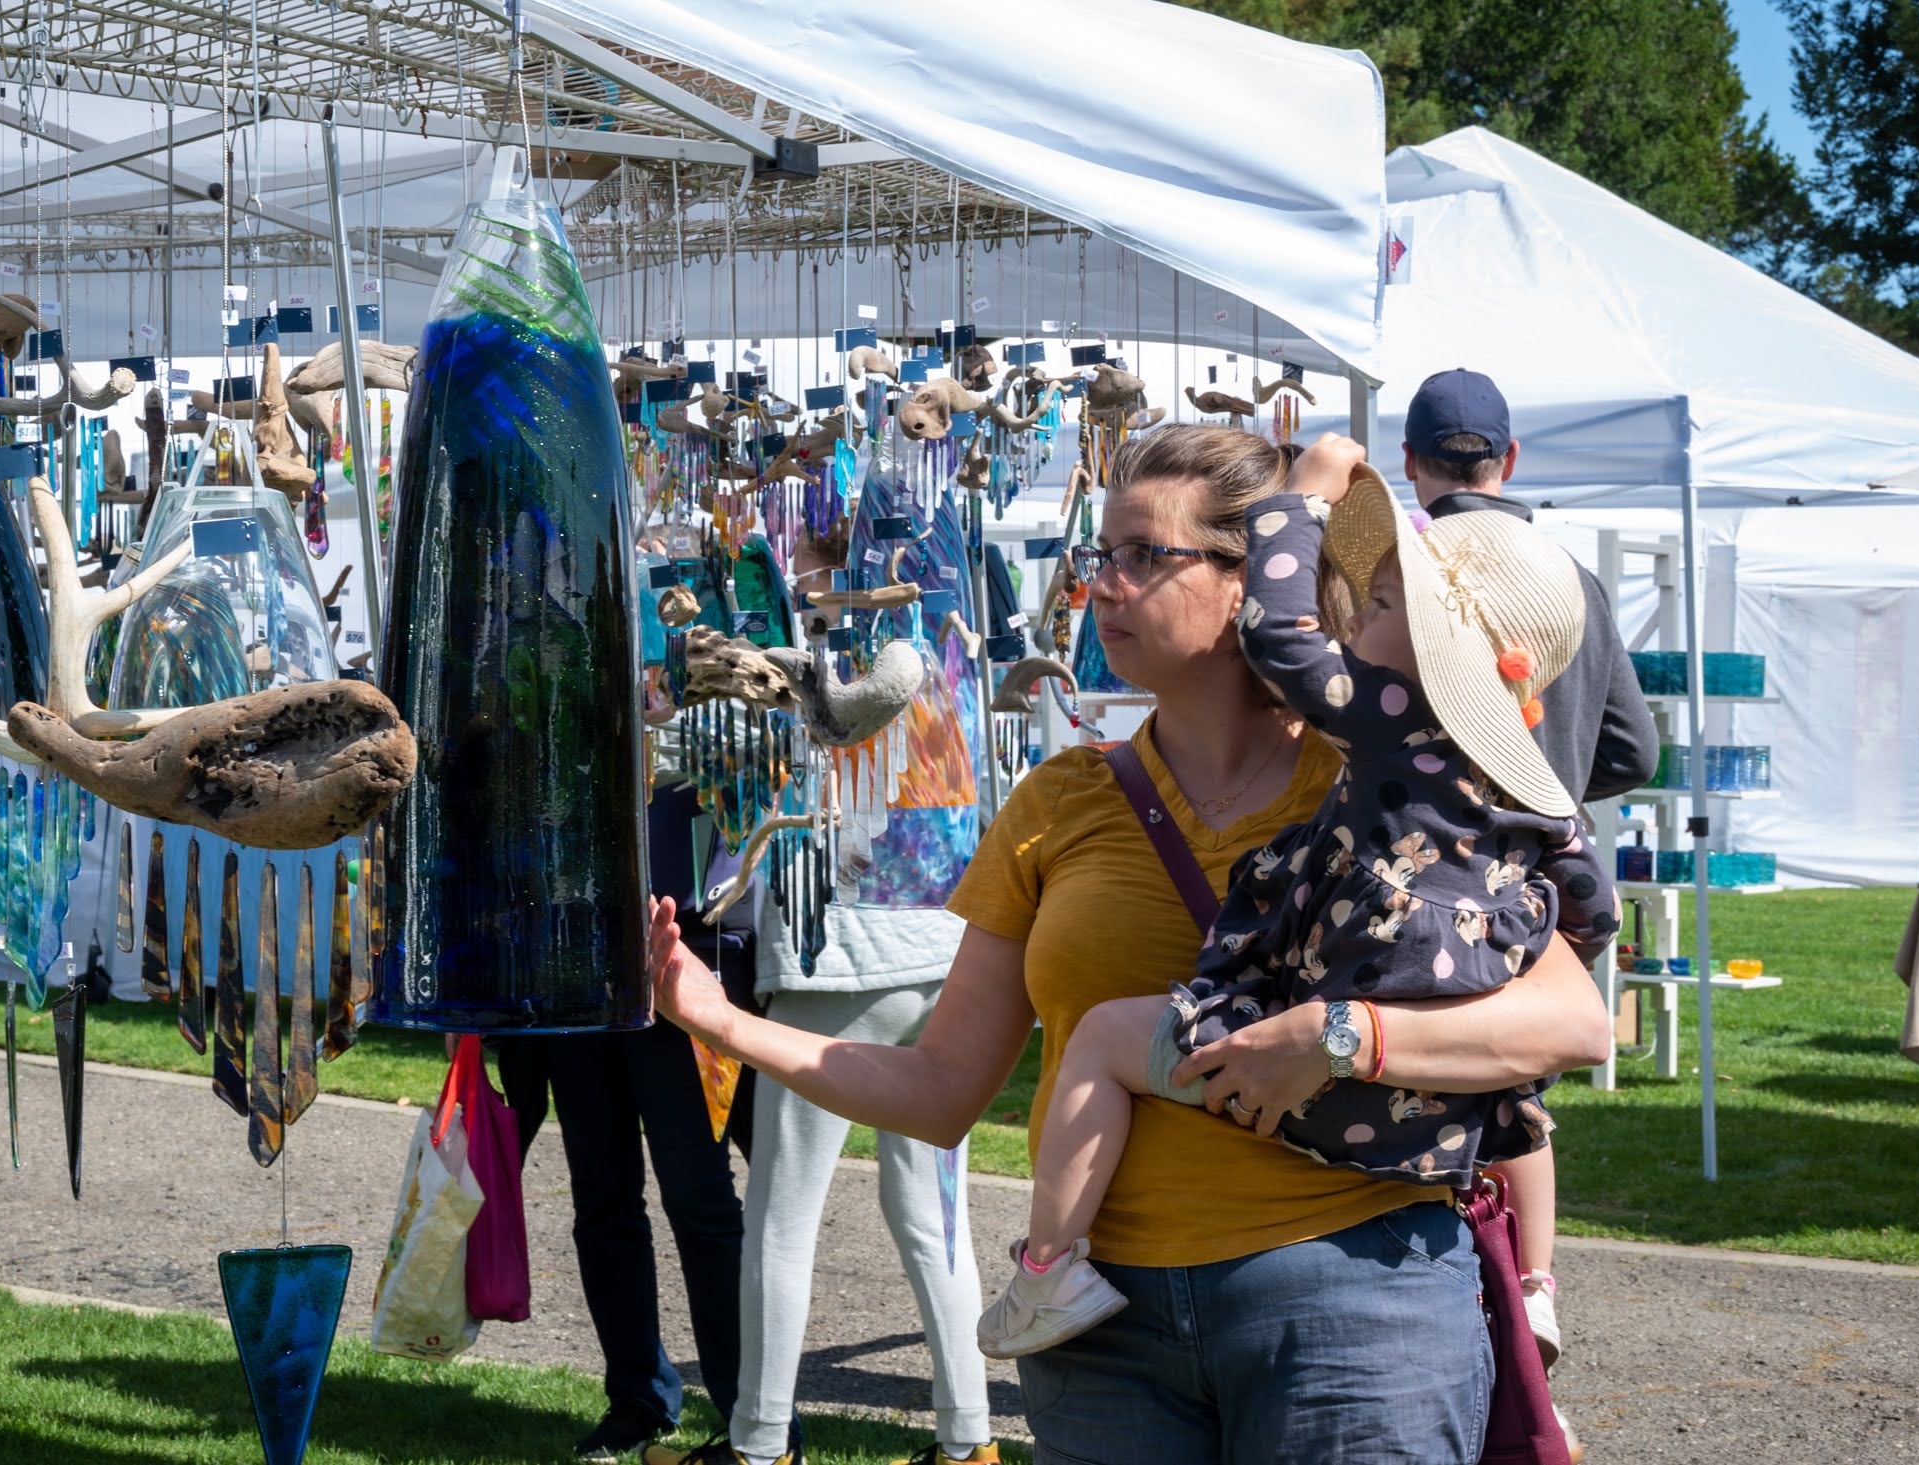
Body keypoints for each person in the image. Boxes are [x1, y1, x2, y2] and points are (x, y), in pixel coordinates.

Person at [644, 424, 1613, 1462]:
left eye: (1144, 557)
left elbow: (1568, 1019)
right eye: (1099, 556)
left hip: (1352, 1305)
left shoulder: (1376, 785)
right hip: (1100, 1336)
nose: (1100, 587)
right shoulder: (1061, 799)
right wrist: (720, 1020)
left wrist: (1336, 1037)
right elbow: (940, 1088)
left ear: (1250, 582)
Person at [975, 463, 1618, 1359]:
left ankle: (1046, 1270)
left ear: (1445, 652)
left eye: (1386, 604)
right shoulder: (1525, 786)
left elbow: (1282, 632)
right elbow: (1589, 904)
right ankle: (1537, 1280)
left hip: (1290, 1073)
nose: (1357, 619)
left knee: (1102, 1039)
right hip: (1421, 1118)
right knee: (1524, 1103)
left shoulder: (1394, 722)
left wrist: (1301, 501)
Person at [646, 527, 997, 1465]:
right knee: (929, 1212)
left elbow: (842, 714)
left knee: (784, 1211)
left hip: (844, 960)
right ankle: (969, 1442)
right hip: (936, 952)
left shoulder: (902, 652)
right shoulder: (955, 662)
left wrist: (778, 677)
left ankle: (761, 1443)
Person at [1402, 367, 1658, 1381]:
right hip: (1551, 878)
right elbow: (1634, 750)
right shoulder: (1568, 578)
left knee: (1422, 1089)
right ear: (1508, 461)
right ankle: (1528, 1287)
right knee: (1509, 1082)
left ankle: (1470, 1314)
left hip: (1427, 871)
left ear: (1411, 466)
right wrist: (1544, 777)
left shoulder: (1411, 570)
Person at [497, 776, 753, 1463]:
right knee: (603, 1196)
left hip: (680, 946)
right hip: (571, 950)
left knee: (699, 1198)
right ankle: (638, 1394)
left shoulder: (688, 688)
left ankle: (751, 1417)